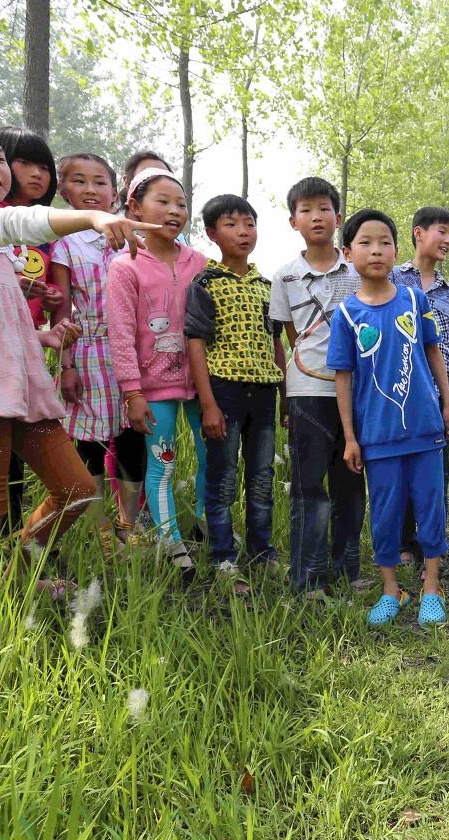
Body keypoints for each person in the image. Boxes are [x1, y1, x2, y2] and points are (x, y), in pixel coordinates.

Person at [0, 114, 150, 587]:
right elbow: (13, 220)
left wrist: (40, 337)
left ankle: (22, 564)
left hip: (16, 382)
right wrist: (93, 216)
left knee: (77, 489)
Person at [327, 209, 449, 625]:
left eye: (385, 242)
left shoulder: (415, 301)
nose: (377, 250)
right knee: (383, 515)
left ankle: (431, 588)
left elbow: (434, 352)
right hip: (377, 437)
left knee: (431, 508)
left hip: (426, 432)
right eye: (365, 242)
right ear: (348, 253)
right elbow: (343, 378)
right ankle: (391, 590)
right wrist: (350, 437)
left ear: (397, 249)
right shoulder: (346, 315)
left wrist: (447, 402)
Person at [107, 167, 209, 578]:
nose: (174, 211)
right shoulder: (125, 266)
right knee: (163, 464)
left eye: (181, 204)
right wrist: (132, 392)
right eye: (162, 202)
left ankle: (208, 526)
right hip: (153, 388)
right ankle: (172, 542)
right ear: (134, 207)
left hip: (202, 384)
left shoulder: (200, 262)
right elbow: (121, 334)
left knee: (213, 458)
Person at [268, 177, 365, 596]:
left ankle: (347, 569)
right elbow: (290, 336)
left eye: (323, 208)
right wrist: (287, 396)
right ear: (293, 221)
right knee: (309, 486)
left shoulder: (357, 269)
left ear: (338, 217)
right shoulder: (285, 276)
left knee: (350, 483)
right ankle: (307, 577)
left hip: (357, 393)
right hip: (307, 390)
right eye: (305, 210)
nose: (316, 217)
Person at [185, 194, 286, 581]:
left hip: (263, 393)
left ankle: (263, 553)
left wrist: (285, 396)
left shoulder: (267, 285)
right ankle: (224, 557)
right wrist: (207, 404)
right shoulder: (205, 284)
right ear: (212, 233)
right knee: (223, 477)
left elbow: (275, 341)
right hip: (224, 392)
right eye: (231, 224)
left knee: (261, 477)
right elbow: (195, 343)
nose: (243, 232)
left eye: (249, 223)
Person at [51, 152, 147, 554]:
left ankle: (130, 523)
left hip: (135, 352)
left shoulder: (136, 239)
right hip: (89, 352)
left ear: (115, 191)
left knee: (132, 438)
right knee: (88, 445)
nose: (90, 189)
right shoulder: (65, 245)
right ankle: (100, 527)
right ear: (63, 190)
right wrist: (66, 365)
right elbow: (61, 308)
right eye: (78, 181)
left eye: (99, 182)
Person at [0, 125, 65, 536]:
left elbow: (43, 291)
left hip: (30, 352)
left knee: (18, 461)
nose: (38, 174)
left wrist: (50, 300)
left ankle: (23, 544)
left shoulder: (43, 235)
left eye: (44, 166)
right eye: (24, 163)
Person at [389, 206, 449, 565]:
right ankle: (402, 543)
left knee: (436, 472)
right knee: (399, 467)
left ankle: (430, 545)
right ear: (418, 233)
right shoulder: (391, 277)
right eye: (441, 231)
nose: (448, 240)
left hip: (435, 396)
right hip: (397, 393)